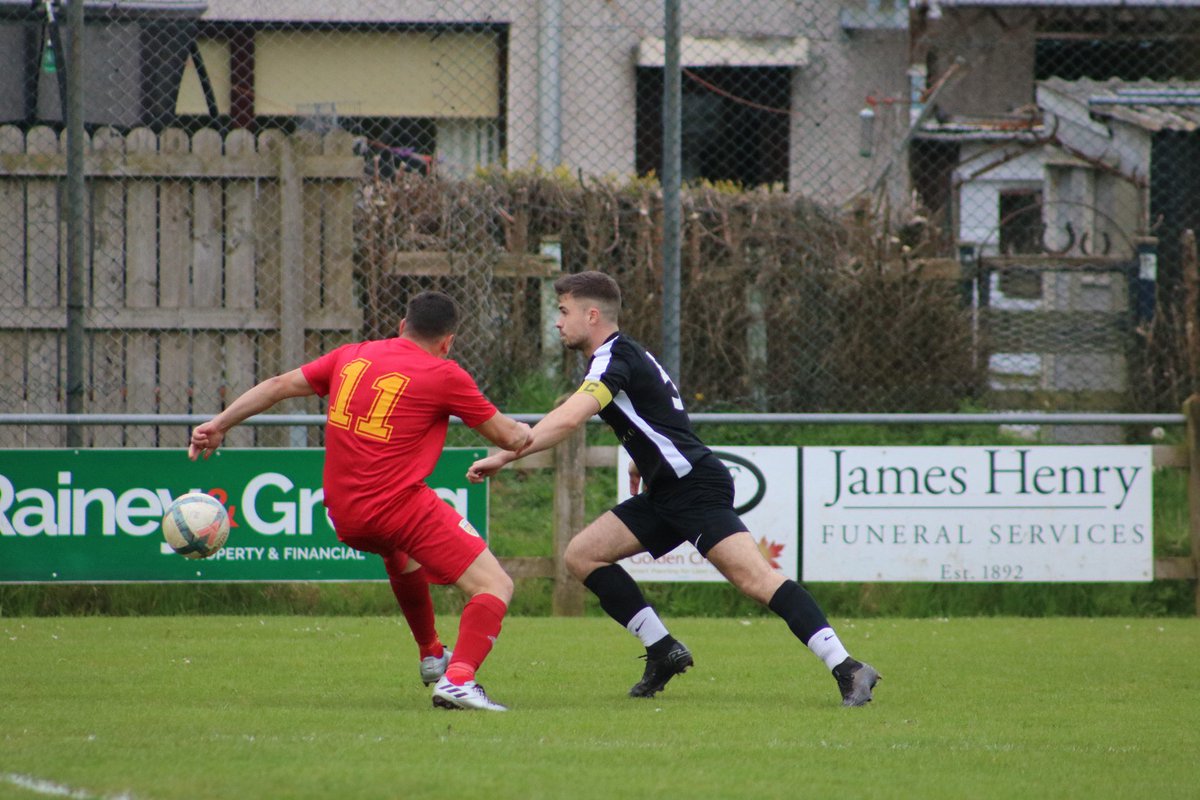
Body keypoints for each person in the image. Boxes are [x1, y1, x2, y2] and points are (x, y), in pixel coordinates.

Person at [468, 271, 880, 706]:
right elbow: (656, 417)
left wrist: (506, 452)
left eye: (564, 311)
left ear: (592, 315)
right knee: (582, 555)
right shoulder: (623, 355)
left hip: (693, 487)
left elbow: (570, 419)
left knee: (757, 580)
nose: (557, 322)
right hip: (667, 489)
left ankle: (848, 667)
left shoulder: (613, 358)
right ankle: (663, 650)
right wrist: (639, 461)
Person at [190, 290, 530, 712]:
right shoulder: (445, 374)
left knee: (399, 553)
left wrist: (219, 423)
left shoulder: (351, 355)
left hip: (346, 515)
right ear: (448, 342)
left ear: (402, 326)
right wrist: (535, 430)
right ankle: (459, 680)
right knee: (495, 585)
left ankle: (431, 653)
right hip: (398, 508)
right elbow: (508, 437)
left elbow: (278, 386)